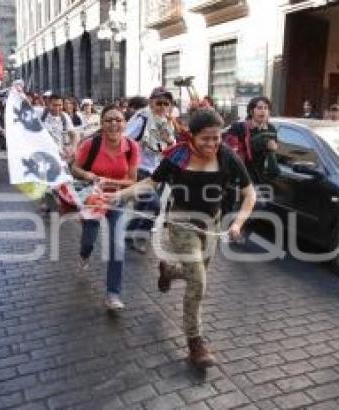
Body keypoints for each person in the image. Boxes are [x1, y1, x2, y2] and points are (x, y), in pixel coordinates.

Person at [108, 109, 256, 367]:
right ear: (192, 136)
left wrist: (239, 223)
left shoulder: (228, 156)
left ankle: (169, 273)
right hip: (180, 222)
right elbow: (150, 184)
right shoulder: (177, 156)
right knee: (198, 282)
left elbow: (250, 194)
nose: (211, 144)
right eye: (205, 139)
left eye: (216, 138)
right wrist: (119, 196)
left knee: (195, 274)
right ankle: (195, 343)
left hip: (211, 224)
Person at [70, 105, 141, 311]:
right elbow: (74, 167)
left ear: (124, 123)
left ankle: (113, 294)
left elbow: (132, 181)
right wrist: (87, 175)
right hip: (92, 198)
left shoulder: (132, 147)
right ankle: (84, 254)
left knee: (117, 246)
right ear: (102, 124)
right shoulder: (90, 144)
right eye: (109, 120)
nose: (114, 124)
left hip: (116, 199)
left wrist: (109, 181)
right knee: (89, 240)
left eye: (118, 120)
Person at [125, 87, 178, 253]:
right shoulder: (142, 118)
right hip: (140, 169)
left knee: (143, 207)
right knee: (154, 205)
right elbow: (125, 140)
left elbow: (173, 144)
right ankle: (140, 237)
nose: (162, 107)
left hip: (158, 170)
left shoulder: (166, 122)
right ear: (151, 102)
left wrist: (169, 142)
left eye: (166, 103)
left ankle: (128, 234)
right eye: (159, 103)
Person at [222, 96, 279, 185]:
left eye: (266, 108)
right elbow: (228, 150)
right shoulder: (239, 128)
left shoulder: (271, 129)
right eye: (259, 108)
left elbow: (273, 151)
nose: (263, 111)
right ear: (251, 111)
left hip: (261, 177)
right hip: (240, 176)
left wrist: (273, 148)